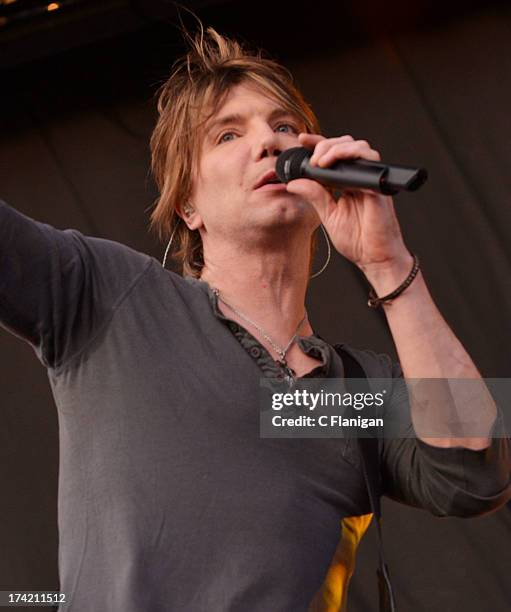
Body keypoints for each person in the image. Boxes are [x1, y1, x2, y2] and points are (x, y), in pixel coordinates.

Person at [0, 26, 510, 612]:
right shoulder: (111, 298)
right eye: (227, 134)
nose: (269, 143)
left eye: (284, 126)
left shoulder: (354, 392)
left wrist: (387, 263)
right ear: (187, 205)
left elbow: (474, 474)